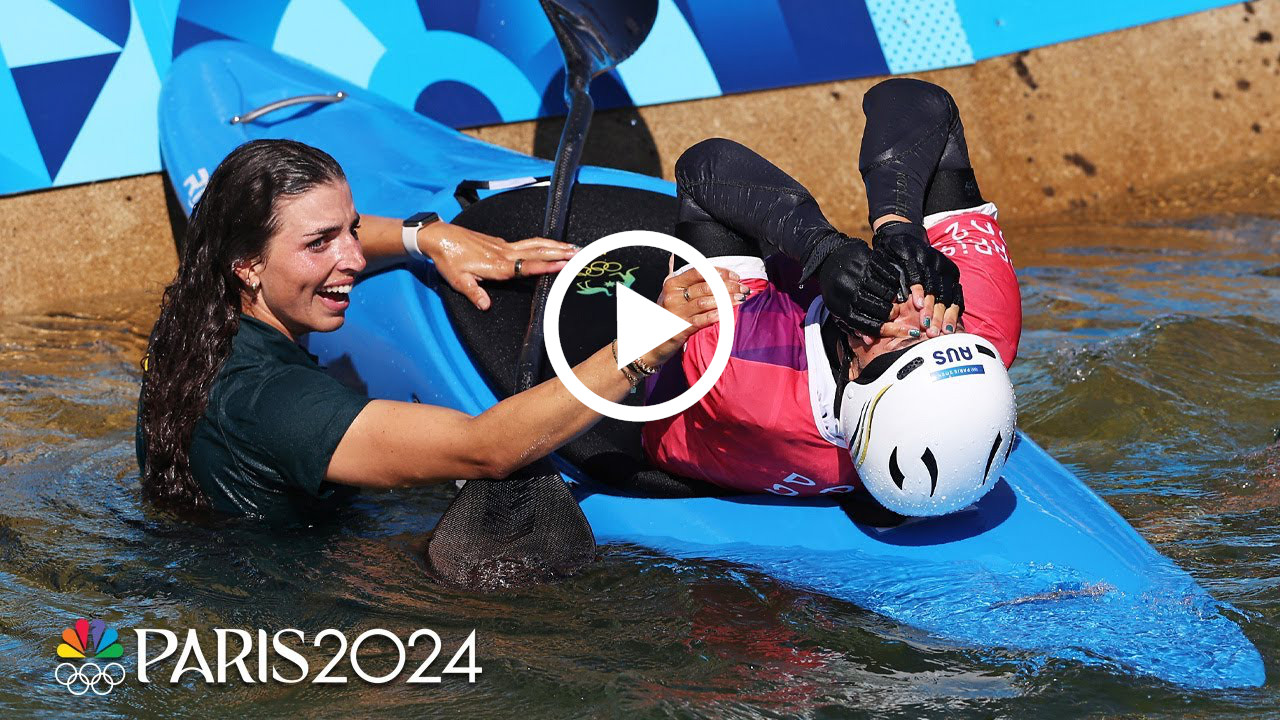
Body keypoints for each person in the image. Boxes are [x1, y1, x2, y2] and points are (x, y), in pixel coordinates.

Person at [136, 139, 750, 521]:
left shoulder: (197, 319)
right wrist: (647, 344)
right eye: (320, 243)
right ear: (247, 266)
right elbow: (486, 448)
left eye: (351, 229)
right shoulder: (275, 401)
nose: (351, 257)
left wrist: (428, 235)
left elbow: (325, 238)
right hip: (289, 616)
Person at [644, 78, 1022, 517]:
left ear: (855, 374)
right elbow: (920, 102)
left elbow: (702, 169)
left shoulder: (742, 367)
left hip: (690, 417)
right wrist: (900, 228)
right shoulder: (990, 323)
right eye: (945, 331)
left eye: (904, 340)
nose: (920, 307)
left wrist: (823, 249)